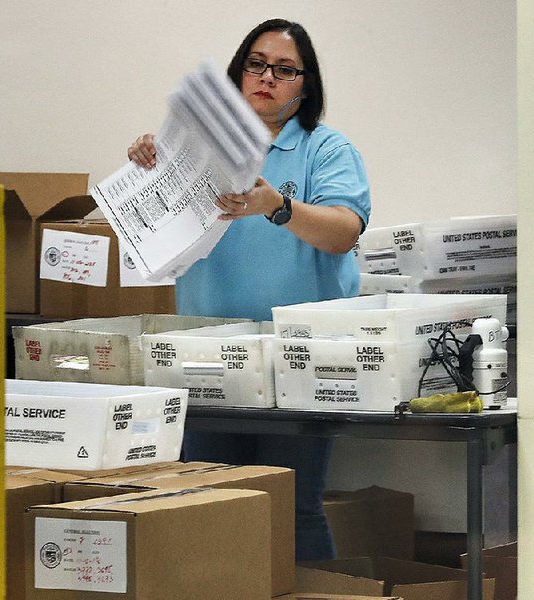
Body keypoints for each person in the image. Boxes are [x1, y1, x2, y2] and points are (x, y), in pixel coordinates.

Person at [127, 18, 371, 561]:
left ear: (305, 86)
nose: (267, 78)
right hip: (205, 355)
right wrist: (148, 164)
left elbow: (343, 231)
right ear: (238, 73)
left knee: (292, 508)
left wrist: (278, 207)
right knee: (209, 506)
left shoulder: (323, 150)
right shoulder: (192, 147)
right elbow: (152, 230)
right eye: (256, 65)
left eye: (285, 70)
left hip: (296, 360)